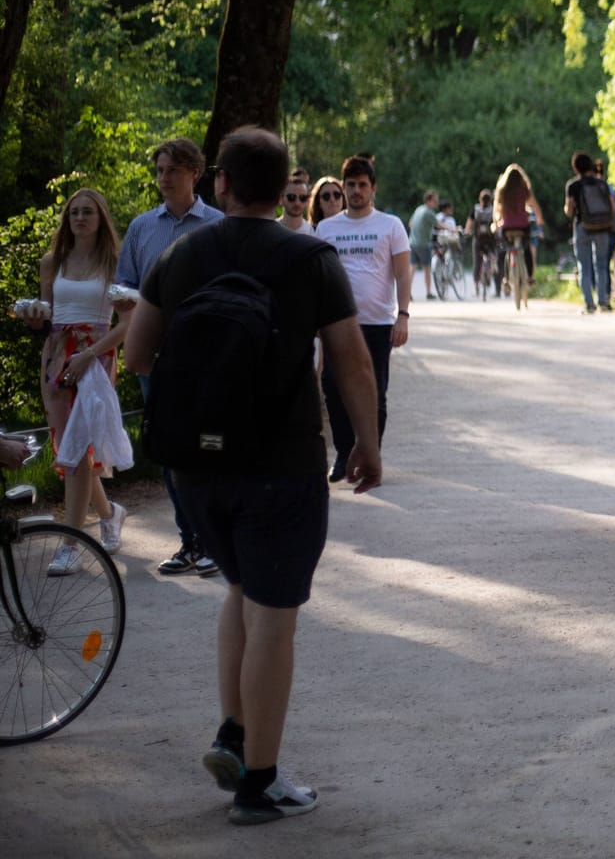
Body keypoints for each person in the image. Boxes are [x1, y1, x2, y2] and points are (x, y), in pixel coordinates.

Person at [124, 126, 383, 826]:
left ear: (222, 187)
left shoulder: (181, 253)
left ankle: (235, 733)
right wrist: (368, 443)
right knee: (275, 612)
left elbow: (139, 355)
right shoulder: (311, 257)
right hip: (282, 464)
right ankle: (259, 784)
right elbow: (353, 361)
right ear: (284, 191)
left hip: (196, 468)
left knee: (239, 589)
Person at [117, 136, 225, 578]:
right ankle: (189, 541)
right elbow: (124, 287)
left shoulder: (218, 225)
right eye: (159, 170)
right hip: (158, 359)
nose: (163, 179)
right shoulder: (143, 227)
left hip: (209, 357)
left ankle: (213, 539)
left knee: (210, 446)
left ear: (194, 174)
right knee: (169, 451)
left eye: (172, 171)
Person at [29, 189, 133, 570]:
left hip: (96, 354)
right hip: (57, 355)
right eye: (74, 212)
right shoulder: (50, 262)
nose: (80, 218)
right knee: (67, 447)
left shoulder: (116, 263)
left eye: (88, 212)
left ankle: (71, 544)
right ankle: (109, 514)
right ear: (66, 219)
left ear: (100, 218)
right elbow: (45, 315)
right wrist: (34, 319)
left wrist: (91, 355)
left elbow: (128, 324)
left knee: (79, 448)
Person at [315, 156, 411, 481]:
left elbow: (402, 273)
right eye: (351, 185)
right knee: (333, 388)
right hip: (336, 324)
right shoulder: (326, 229)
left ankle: (370, 454)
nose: (356, 191)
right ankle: (344, 453)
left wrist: (404, 316)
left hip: (378, 323)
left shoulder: (390, 225)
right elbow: (318, 277)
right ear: (344, 187)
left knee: (375, 393)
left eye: (362, 185)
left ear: (373, 188)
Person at [565, 151, 615, 313]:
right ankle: (603, 300)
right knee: (602, 265)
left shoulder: (573, 185)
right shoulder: (601, 183)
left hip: (583, 226)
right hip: (603, 227)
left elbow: (569, 210)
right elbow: (613, 205)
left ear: (575, 168)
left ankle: (589, 303)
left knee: (584, 266)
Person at [494, 163, 540, 284]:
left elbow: (497, 209)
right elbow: (534, 206)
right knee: (526, 249)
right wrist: (540, 219)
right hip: (523, 227)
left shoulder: (502, 190)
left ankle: (506, 278)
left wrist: (496, 223)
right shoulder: (524, 189)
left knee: (507, 249)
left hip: (507, 227)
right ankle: (530, 277)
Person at [408, 190, 440, 300]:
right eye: (435, 200)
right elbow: (438, 225)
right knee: (427, 268)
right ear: (429, 201)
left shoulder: (419, 209)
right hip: (423, 244)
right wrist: (454, 229)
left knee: (412, 268)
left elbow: (411, 223)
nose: (437, 203)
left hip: (412, 242)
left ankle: (407, 292)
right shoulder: (428, 212)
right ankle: (428, 292)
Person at [468, 188, 498, 294]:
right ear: (491, 200)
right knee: (494, 254)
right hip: (491, 239)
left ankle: (476, 285)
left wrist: (467, 231)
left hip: (478, 239)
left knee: (477, 262)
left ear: (480, 199)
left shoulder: (475, 209)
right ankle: (492, 264)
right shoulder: (494, 209)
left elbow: (470, 223)